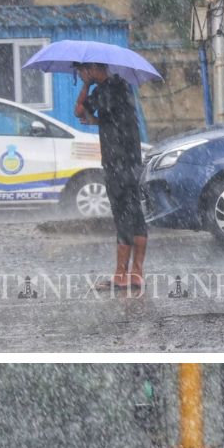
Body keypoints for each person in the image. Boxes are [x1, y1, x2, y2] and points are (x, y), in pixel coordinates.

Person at [74, 63, 147, 290]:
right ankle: (137, 273)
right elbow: (114, 118)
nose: (79, 75)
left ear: (91, 68)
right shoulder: (124, 87)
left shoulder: (103, 90)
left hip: (117, 164)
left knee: (122, 216)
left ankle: (119, 276)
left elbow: (78, 110)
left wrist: (86, 85)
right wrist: (98, 121)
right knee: (136, 215)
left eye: (81, 72)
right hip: (134, 161)